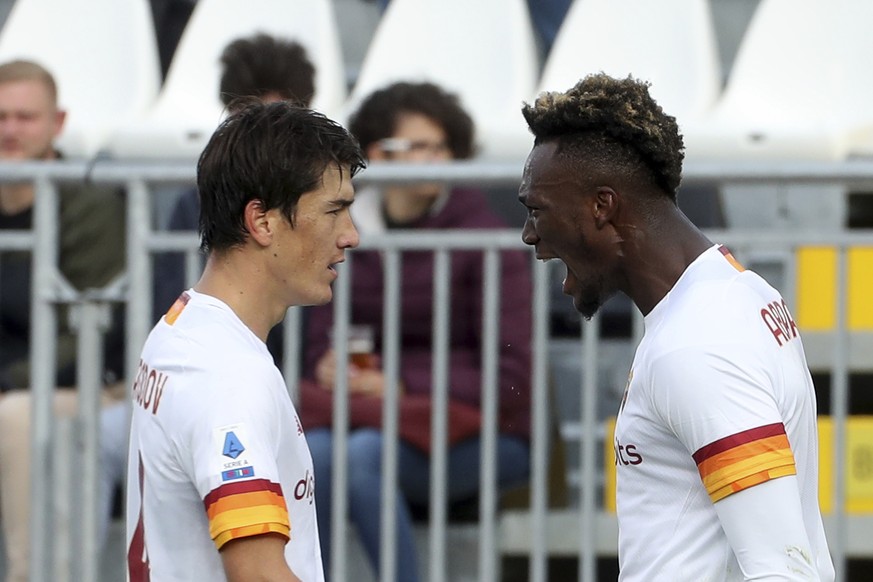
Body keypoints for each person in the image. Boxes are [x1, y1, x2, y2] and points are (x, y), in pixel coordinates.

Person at [518, 73, 834, 581]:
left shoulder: (697, 344)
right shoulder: (740, 293)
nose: (530, 235)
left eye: (537, 210)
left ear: (602, 206)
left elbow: (781, 568)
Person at [300, 81, 533, 581]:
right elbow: (321, 333)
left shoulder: (487, 239)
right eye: (421, 146)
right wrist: (326, 364)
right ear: (379, 154)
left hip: (481, 434)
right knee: (311, 453)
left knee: (362, 458)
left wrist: (403, 383)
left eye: (443, 146)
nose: (436, 159)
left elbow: (513, 378)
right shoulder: (349, 233)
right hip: (375, 420)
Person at [125, 100, 364, 581]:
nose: (351, 236)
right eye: (334, 210)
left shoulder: (181, 326)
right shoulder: (227, 376)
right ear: (262, 221)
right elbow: (257, 574)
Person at [0, 59, 128, 582]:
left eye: (25, 117)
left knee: (16, 417)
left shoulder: (90, 204)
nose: (9, 129)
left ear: (58, 122)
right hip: (17, 386)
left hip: (88, 383)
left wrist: (11, 381)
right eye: (0, 116)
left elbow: (94, 328)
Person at [153, 32, 316, 331]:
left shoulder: (323, 203)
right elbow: (171, 301)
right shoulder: (194, 204)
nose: (264, 138)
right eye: (250, 122)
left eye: (278, 124)